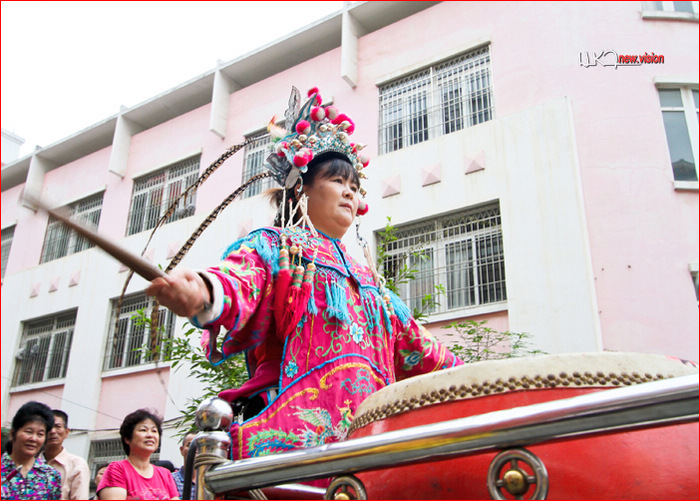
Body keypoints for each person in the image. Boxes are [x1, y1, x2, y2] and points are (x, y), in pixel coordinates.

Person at [146, 86, 463, 468]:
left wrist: (473, 379)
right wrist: (202, 290)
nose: (350, 194)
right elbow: (237, 280)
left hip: (370, 439)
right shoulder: (276, 248)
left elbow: (419, 347)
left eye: (354, 187)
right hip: (294, 442)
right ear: (301, 188)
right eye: (337, 182)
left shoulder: (371, 281)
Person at [96, 409, 178, 500]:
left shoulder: (165, 474)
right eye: (143, 430)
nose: (150, 435)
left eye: (154, 431)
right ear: (127, 438)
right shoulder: (117, 469)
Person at [1, 401, 62, 500]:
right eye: (29, 432)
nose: (34, 439)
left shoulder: (51, 476)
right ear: (12, 434)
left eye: (40, 434)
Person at [44, 409, 90, 500]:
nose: (53, 431)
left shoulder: (77, 464)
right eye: (49, 427)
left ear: (66, 432)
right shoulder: (31, 462)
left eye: (57, 426)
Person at [170, 434, 196, 499]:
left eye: (199, 445)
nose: (195, 448)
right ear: (182, 450)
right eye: (190, 445)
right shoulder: (171, 480)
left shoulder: (209, 481)